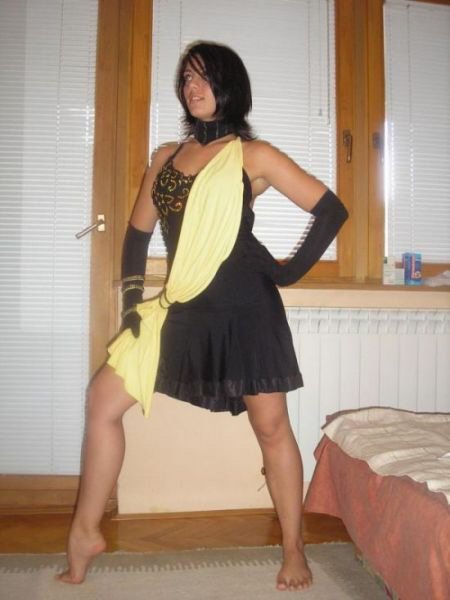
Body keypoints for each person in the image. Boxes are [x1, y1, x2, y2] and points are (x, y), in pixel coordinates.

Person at [57, 41, 348, 591]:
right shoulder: (166, 157)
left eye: (204, 77)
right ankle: (85, 532)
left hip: (246, 310)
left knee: (271, 428)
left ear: (228, 86)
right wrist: (131, 307)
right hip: (181, 305)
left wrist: (287, 273)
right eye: (186, 78)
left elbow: (331, 210)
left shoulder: (253, 155)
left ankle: (293, 547)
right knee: (102, 401)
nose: (192, 87)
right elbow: (138, 235)